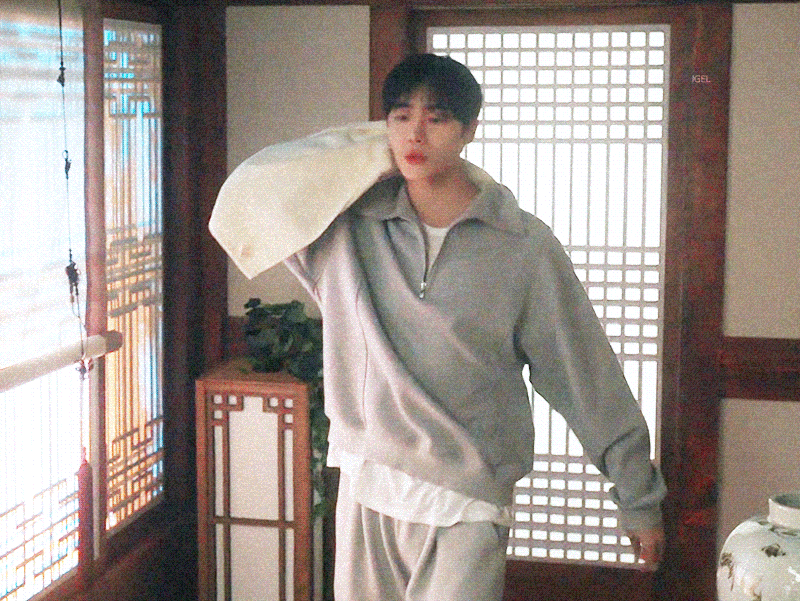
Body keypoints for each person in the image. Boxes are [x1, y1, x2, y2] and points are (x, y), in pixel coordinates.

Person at [284, 53, 666, 601]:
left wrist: (637, 496)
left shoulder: (523, 247)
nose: (416, 133)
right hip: (369, 482)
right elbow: (262, 191)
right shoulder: (349, 229)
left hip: (468, 495)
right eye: (400, 116)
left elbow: (585, 374)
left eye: (437, 118)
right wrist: (365, 151)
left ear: (469, 130)